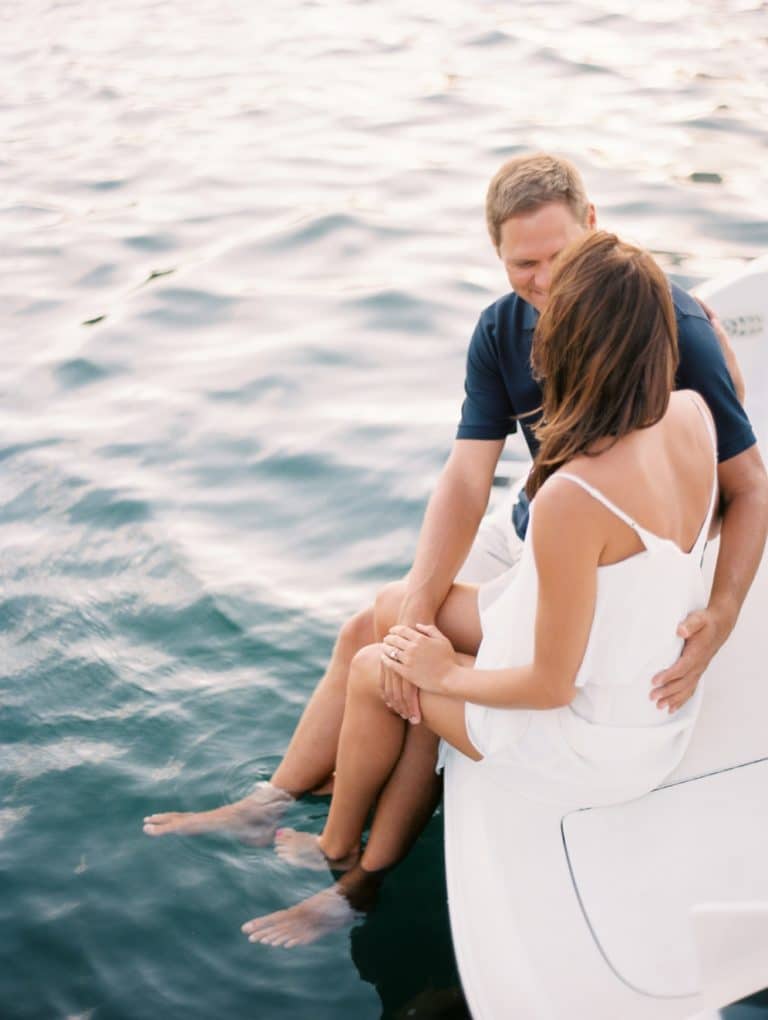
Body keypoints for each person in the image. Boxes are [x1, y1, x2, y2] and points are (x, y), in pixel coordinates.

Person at [143, 155, 768, 930]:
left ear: (594, 229)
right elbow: (467, 481)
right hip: (542, 540)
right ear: (498, 259)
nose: (544, 287)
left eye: (560, 261)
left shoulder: (660, 334)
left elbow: (743, 488)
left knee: (397, 663)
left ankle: (349, 865)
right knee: (380, 625)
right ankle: (270, 805)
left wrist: (726, 609)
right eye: (523, 267)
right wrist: (421, 607)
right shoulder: (509, 334)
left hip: (597, 557)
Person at [240, 232, 729, 946]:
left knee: (391, 665)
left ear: (573, 344)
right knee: (404, 639)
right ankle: (346, 858)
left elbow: (551, 686)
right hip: (652, 714)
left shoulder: (576, 497)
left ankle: (347, 864)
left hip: (594, 744)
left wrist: (443, 674)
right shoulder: (693, 414)